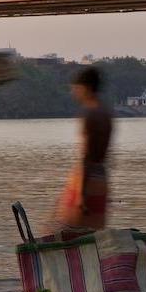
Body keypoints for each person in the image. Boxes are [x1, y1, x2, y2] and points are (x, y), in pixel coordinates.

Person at [53, 65, 114, 234]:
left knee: (63, 233)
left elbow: (86, 156)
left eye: (76, 88)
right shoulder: (106, 112)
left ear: (85, 88)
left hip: (86, 180)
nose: (74, 93)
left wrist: (81, 194)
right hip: (101, 178)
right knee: (92, 237)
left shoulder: (89, 114)